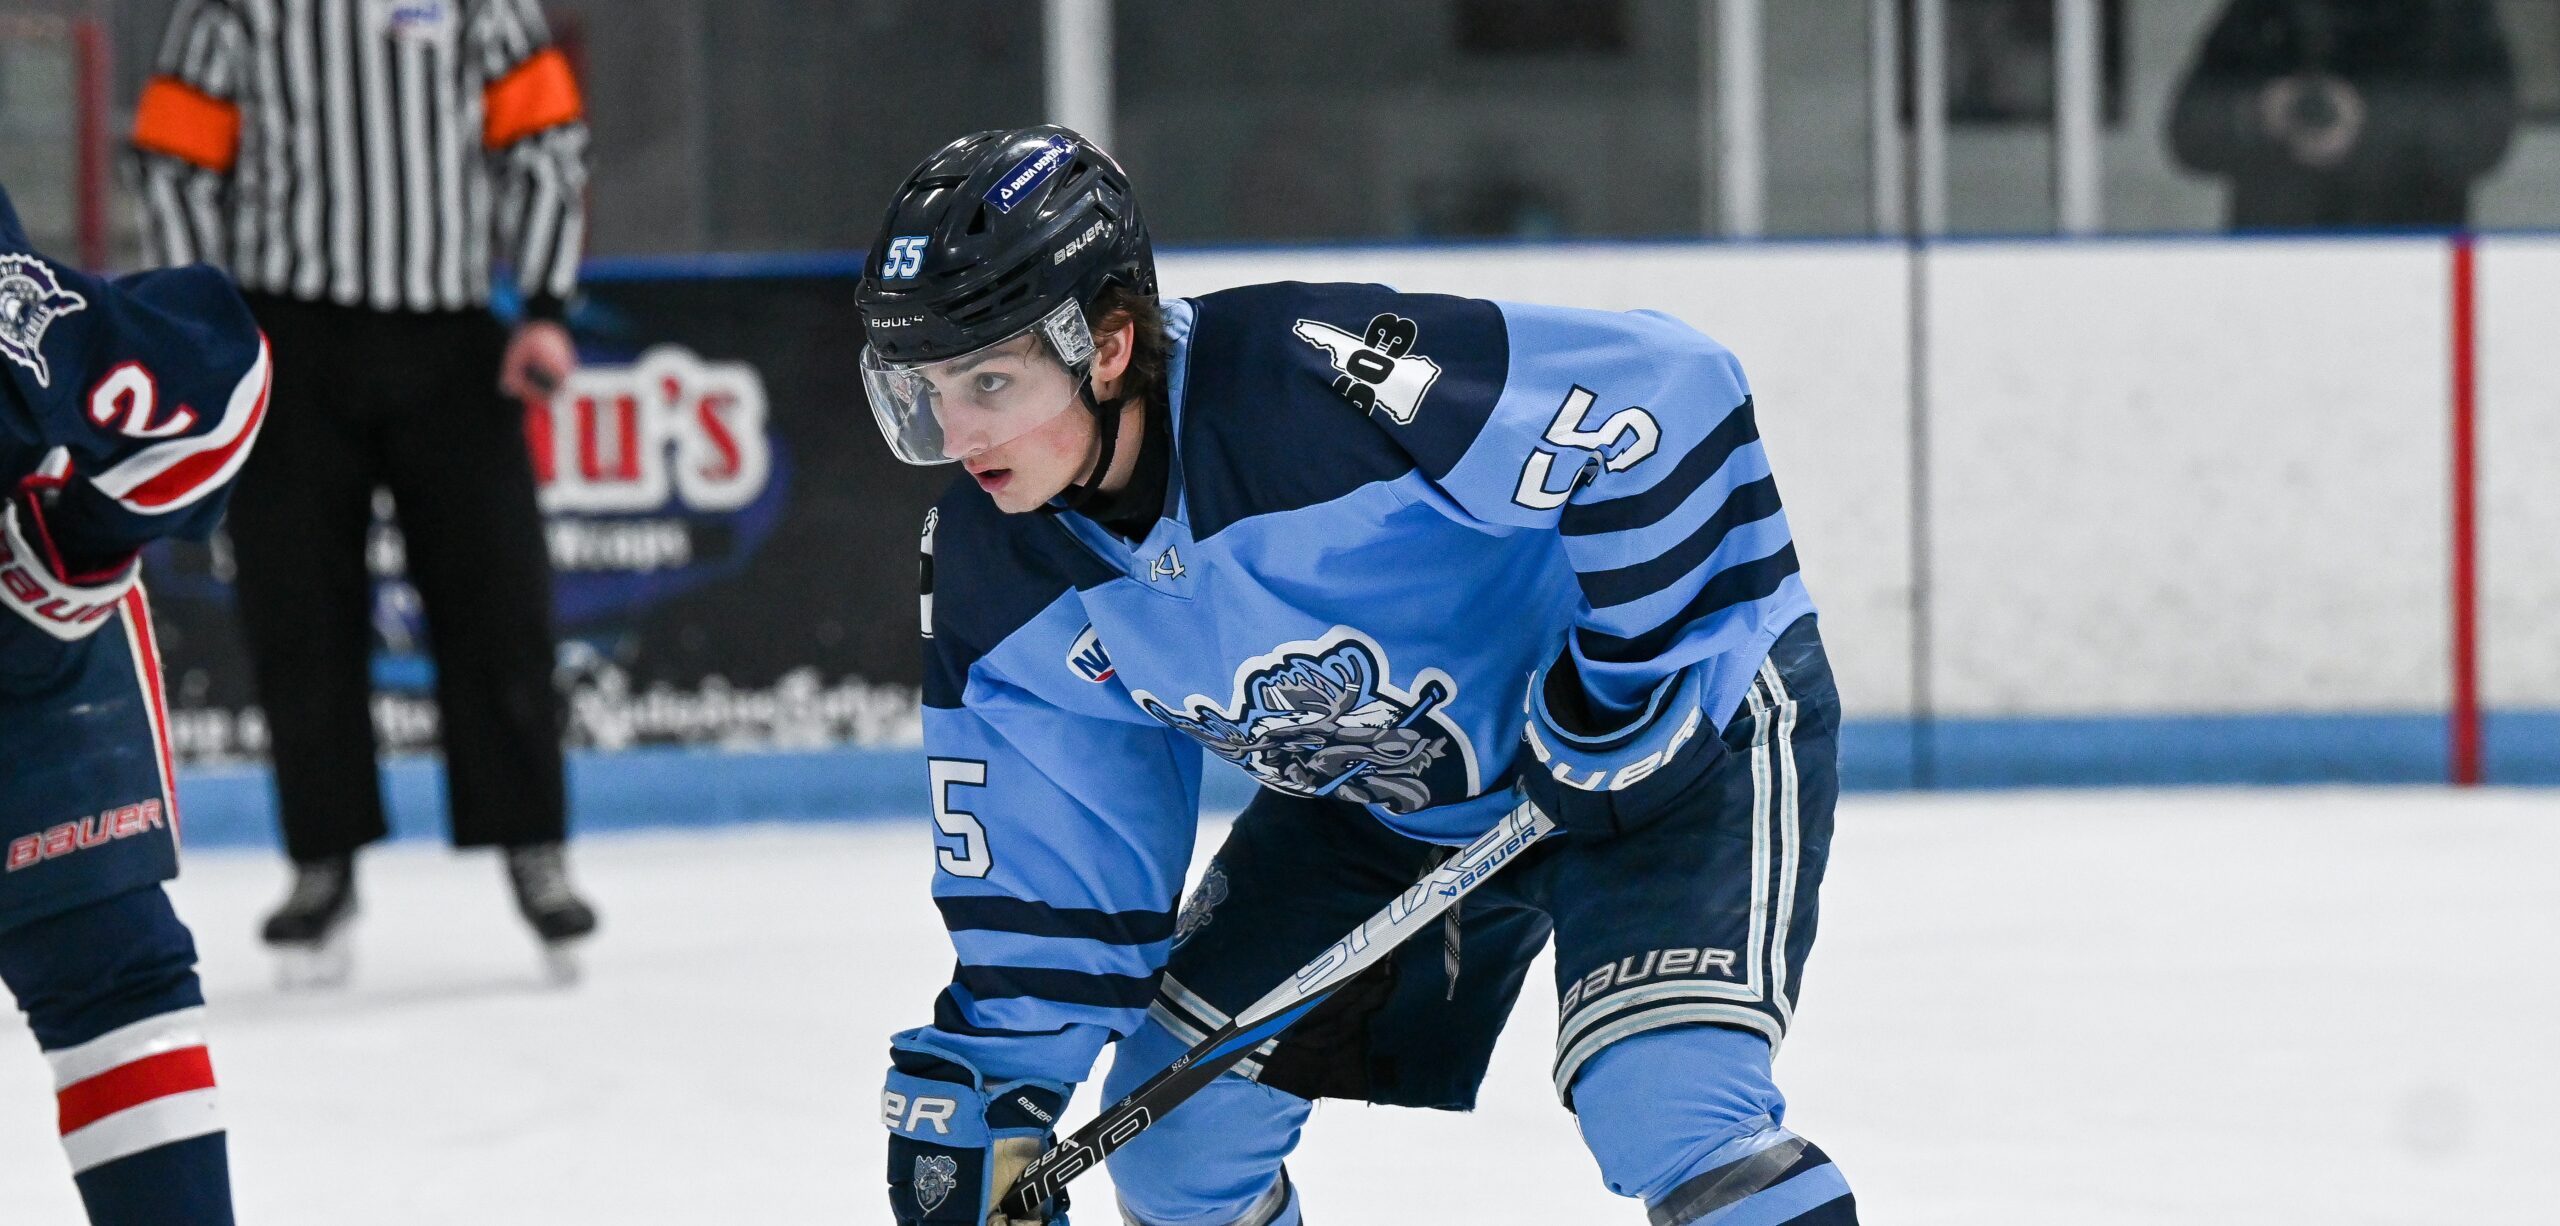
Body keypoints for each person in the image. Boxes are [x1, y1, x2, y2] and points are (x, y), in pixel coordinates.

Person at [861, 127, 1857, 1226]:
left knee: (1668, 1112)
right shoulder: (997, 566)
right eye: (926, 387)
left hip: (1676, 735)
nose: (955, 431)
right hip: (1385, 800)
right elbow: (1057, 870)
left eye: (988, 379)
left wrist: (1623, 686)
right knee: (1178, 1154)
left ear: (1106, 345)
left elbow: (1662, 397)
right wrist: (994, 1089)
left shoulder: (1309, 380)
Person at [126, 0, 598, 984]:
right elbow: (172, 157)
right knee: (297, 611)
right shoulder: (238, 6)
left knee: (500, 603)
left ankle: (534, 848)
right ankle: (322, 860)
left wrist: (546, 303)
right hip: (289, 339)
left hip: (450, 335)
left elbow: (546, 142)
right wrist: (209, 322)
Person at [0, 182, 264, 1224]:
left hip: (32, 689)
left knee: (117, 984)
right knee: (117, 984)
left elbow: (212, 384)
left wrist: (69, 556)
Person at [2169, 0, 2518, 229]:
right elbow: (2188, 131)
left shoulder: (2448, 13)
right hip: (2280, 256)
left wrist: (2371, 124)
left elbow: (2485, 134)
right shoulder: (2264, 11)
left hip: (2409, 257)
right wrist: (2262, 111)